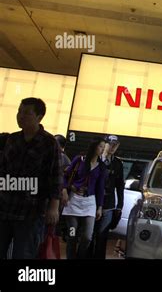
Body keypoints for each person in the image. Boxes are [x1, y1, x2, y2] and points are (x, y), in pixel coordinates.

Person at [0, 98, 62, 259]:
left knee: (24, 254)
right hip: (5, 206)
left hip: (32, 211)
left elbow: (55, 175)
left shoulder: (49, 143)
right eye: (19, 111)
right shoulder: (12, 140)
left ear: (39, 117)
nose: (20, 116)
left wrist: (54, 207)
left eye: (26, 113)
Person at [61, 137, 106, 259]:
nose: (103, 149)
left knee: (87, 236)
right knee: (72, 234)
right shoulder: (79, 160)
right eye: (100, 146)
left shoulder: (101, 167)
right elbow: (65, 176)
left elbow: (100, 188)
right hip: (73, 201)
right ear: (94, 147)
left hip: (89, 202)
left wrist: (100, 207)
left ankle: (80, 256)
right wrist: (66, 188)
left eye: (103, 147)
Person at [91, 135, 124, 259]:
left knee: (103, 236)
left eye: (116, 145)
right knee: (89, 235)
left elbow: (120, 186)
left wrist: (120, 206)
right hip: (92, 202)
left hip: (108, 205)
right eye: (111, 144)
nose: (113, 147)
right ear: (105, 144)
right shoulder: (96, 160)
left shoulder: (118, 163)